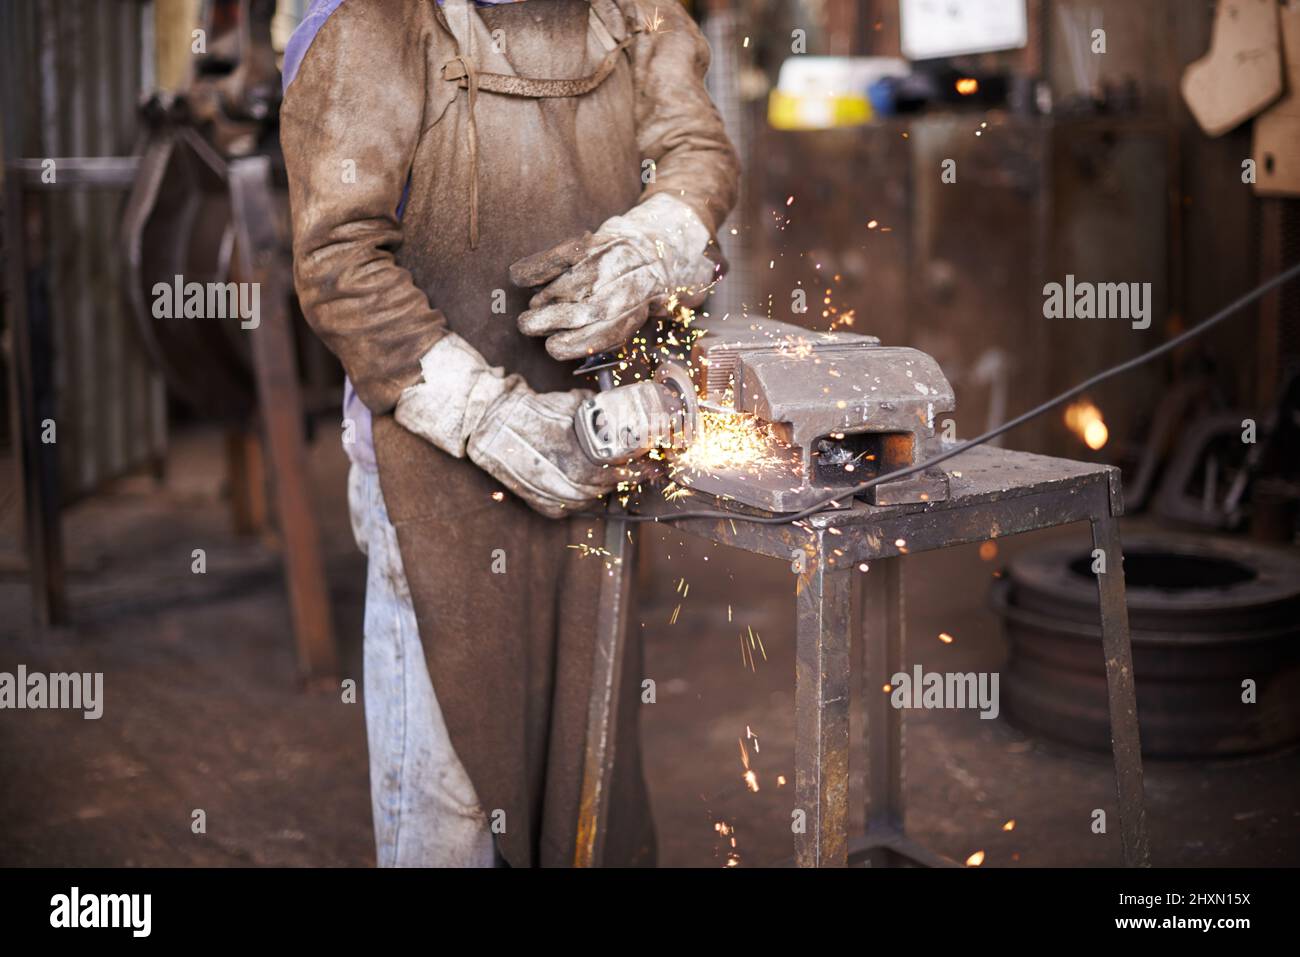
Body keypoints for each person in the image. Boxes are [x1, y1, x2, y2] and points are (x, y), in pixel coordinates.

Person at [281, 0, 739, 866]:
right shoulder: (374, 20)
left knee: (585, 773)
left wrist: (657, 239)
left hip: (593, 453)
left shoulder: (631, 12)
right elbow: (337, 261)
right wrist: (485, 412)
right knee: (456, 803)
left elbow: (695, 150)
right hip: (434, 472)